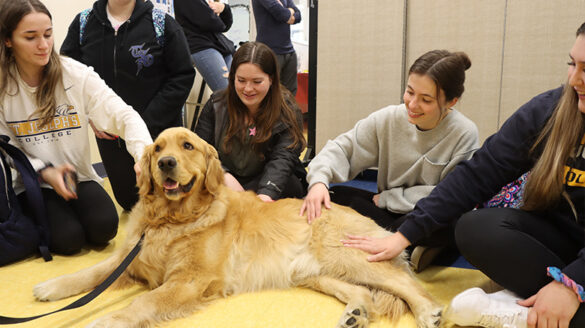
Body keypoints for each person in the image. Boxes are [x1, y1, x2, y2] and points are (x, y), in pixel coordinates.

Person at [341, 23, 585, 328]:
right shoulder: (550, 109)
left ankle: (525, 313)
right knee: (473, 227)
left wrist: (572, 284)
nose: (574, 79)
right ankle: (551, 305)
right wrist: (405, 234)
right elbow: (479, 173)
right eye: (571, 64)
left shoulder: (462, 130)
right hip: (562, 239)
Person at [300, 49, 479, 271]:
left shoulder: (464, 133)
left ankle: (393, 242)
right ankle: (406, 247)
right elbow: (343, 148)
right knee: (332, 196)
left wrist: (390, 198)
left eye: (426, 100)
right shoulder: (389, 118)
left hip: (429, 215)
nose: (412, 105)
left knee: (460, 225)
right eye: (409, 92)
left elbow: (450, 196)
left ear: (451, 101)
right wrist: (319, 181)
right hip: (389, 212)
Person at [0, 0, 153, 255]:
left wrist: (144, 155)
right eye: (31, 37)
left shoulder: (75, 74)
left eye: (48, 34)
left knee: (104, 228)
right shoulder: (4, 87)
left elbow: (124, 114)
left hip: (77, 177)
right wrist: (46, 172)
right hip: (34, 184)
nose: (44, 45)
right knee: (68, 240)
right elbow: (9, 150)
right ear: (8, 40)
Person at [60, 0, 194, 212]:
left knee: (170, 202)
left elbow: (182, 76)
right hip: (111, 137)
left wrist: (141, 123)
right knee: (131, 203)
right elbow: (67, 74)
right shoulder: (83, 24)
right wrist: (89, 116)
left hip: (157, 133)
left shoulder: (161, 23)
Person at [195, 41, 306, 202]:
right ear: (232, 77)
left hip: (266, 181)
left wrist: (265, 195)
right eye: (241, 80)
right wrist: (223, 174)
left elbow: (283, 158)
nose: (248, 89)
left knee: (291, 185)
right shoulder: (216, 104)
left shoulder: (287, 109)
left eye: (256, 82)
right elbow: (199, 150)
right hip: (223, 179)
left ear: (271, 79)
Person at [174, 0, 235, 92]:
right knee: (227, 95)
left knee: (236, 91)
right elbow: (213, 23)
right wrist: (222, 9)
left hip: (221, 45)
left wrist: (223, 8)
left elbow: (224, 25)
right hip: (200, 46)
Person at [251, 0, 301, 95]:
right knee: (270, 94)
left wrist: (287, 13)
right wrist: (290, 11)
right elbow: (282, 15)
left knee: (290, 96)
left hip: (289, 51)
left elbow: (299, 15)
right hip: (269, 52)